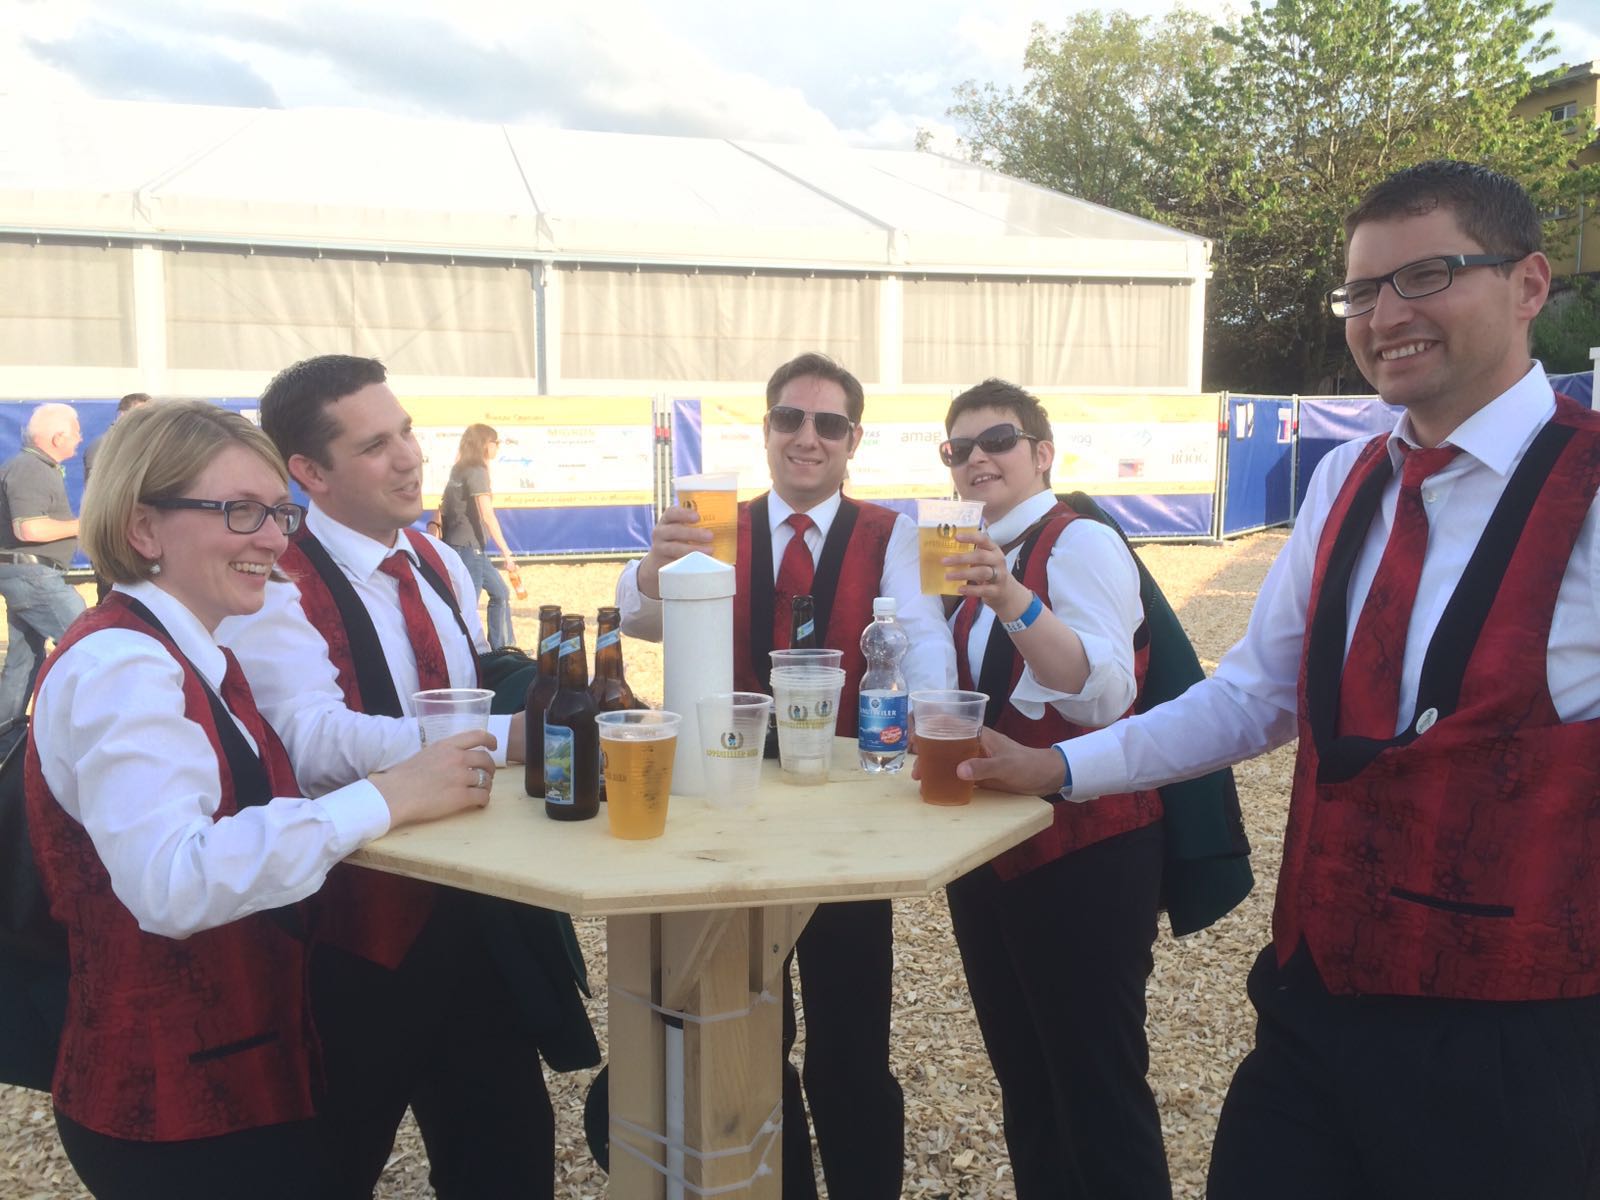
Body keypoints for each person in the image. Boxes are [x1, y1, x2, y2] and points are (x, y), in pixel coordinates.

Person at [958, 160, 1600, 1199]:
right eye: (1363, 290)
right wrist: (1059, 768)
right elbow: (1252, 696)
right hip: (1312, 999)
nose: (1385, 315)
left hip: (1518, 1035)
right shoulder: (1347, 478)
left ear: (1528, 285)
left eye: (1426, 275)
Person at [25, 399, 494, 1200]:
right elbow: (172, 881)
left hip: (231, 1078)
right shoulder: (123, 667)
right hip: (172, 1108)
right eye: (240, 511)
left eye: (279, 512)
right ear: (144, 528)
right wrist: (384, 798)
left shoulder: (184, 651)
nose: (274, 539)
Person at [220, 355, 595, 1200]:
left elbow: (473, 676)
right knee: (335, 1160)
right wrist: (510, 737)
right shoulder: (276, 580)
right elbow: (309, 740)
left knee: (507, 1151)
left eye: (408, 432)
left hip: (478, 904)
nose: (408, 458)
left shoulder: (435, 559)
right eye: (374, 445)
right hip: (355, 929)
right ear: (310, 473)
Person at [616, 350, 955, 1200]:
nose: (808, 437)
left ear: (853, 440)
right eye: (790, 419)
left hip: (844, 822)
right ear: (766, 429)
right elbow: (640, 619)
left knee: (852, 1045)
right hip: (727, 810)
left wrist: (931, 735)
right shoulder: (717, 523)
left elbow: (927, 647)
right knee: (748, 1031)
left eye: (828, 423)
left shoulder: (893, 532)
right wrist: (652, 570)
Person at [934, 379, 1170, 1199]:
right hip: (990, 852)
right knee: (1028, 1085)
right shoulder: (965, 551)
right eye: (958, 448)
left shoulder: (1082, 543)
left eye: (996, 440)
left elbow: (1103, 695)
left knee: (1099, 1088)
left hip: (1086, 850)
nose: (976, 458)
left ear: (1042, 454)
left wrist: (1010, 597)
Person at [0, 403, 87, 756]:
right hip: (33, 576)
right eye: (76, 431)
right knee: (92, 642)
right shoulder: (31, 468)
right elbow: (30, 529)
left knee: (23, 661)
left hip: (26, 574)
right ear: (57, 437)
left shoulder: (33, 466)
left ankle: (6, 742)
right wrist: (87, 523)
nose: (80, 438)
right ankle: (88, 733)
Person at [438, 422, 516, 649]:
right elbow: (488, 515)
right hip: (469, 546)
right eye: (495, 442)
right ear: (485, 444)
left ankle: (501, 648)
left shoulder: (459, 468)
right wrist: (507, 553)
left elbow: (443, 506)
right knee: (467, 604)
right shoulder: (477, 471)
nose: (497, 447)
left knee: (500, 593)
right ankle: (466, 651)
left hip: (462, 544)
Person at [85, 393, 153, 602]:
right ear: (123, 415)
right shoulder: (106, 446)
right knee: (114, 599)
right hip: (114, 537)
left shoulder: (134, 445)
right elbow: (106, 494)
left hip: (132, 534)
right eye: (144, 415)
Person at [81, 392, 151, 484]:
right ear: (122, 414)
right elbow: (97, 486)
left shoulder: (145, 444)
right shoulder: (103, 445)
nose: (148, 420)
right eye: (142, 415)